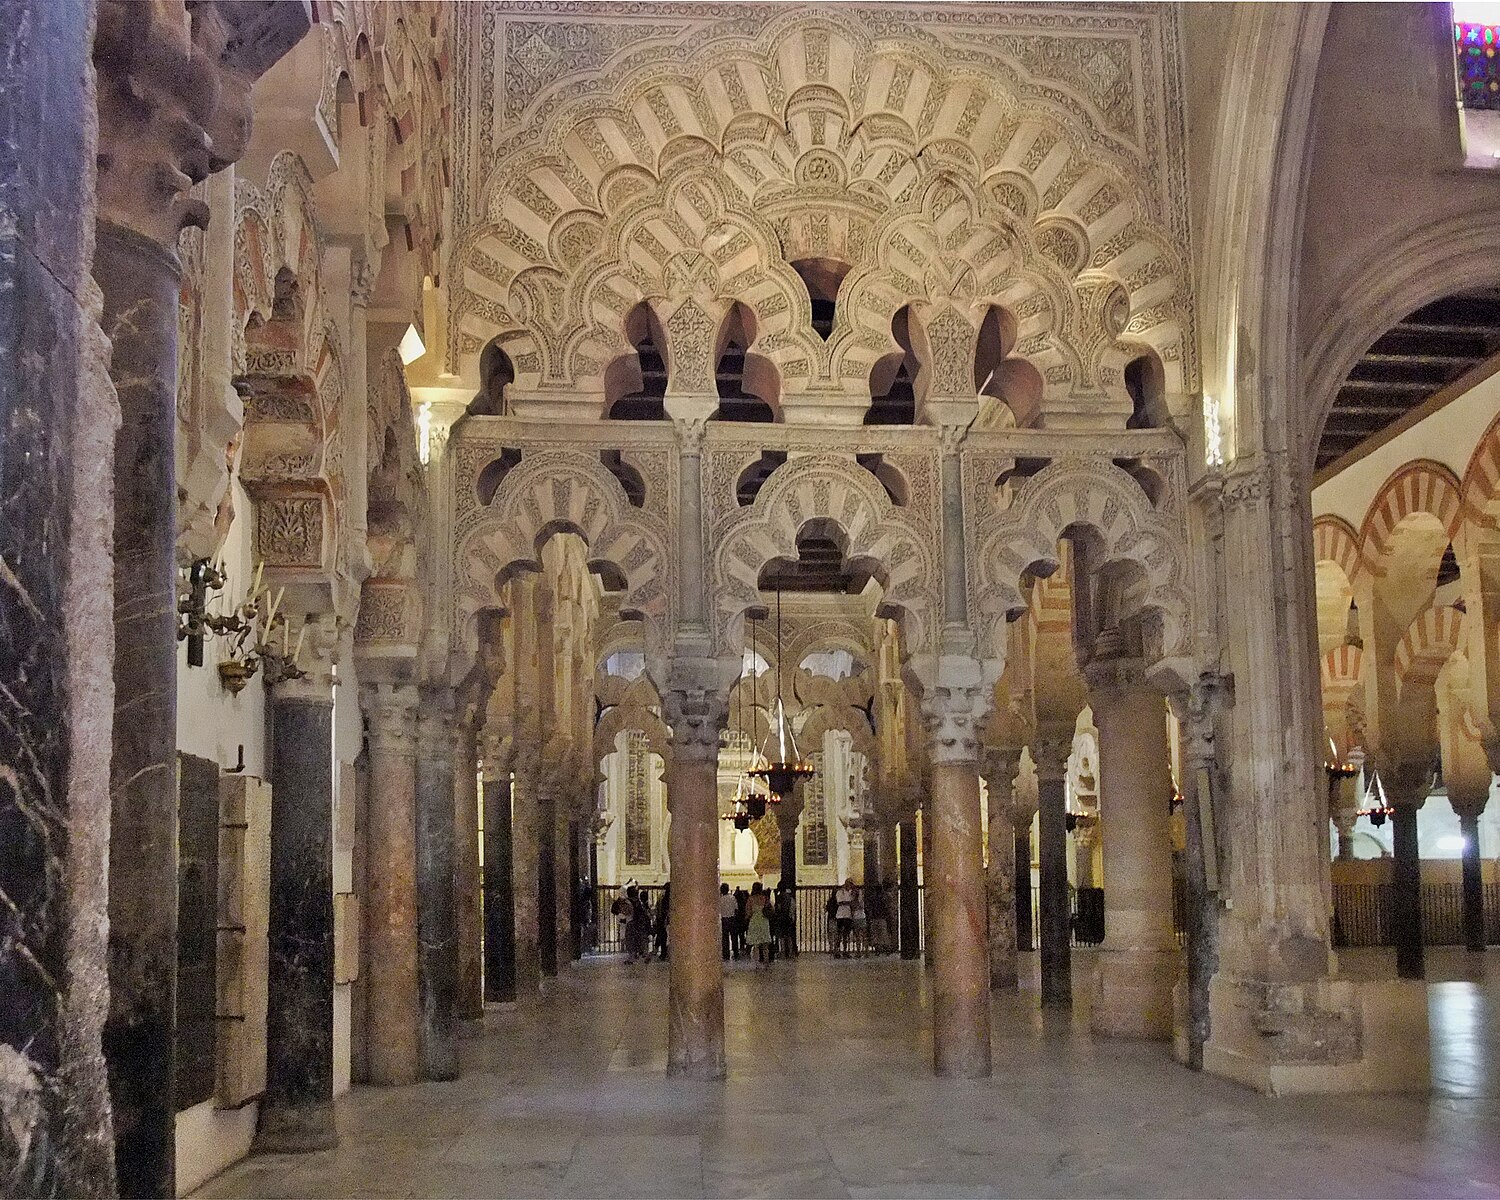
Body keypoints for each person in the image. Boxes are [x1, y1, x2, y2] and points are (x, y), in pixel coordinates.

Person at [746, 881, 773, 967]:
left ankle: (756, 964)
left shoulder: (750, 899)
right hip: (764, 921)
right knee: (765, 945)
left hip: (754, 922)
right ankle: (766, 962)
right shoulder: (765, 898)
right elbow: (771, 908)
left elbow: (749, 912)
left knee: (756, 945)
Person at [624, 886, 652, 964]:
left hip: (631, 922)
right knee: (640, 940)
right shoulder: (638, 902)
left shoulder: (628, 902)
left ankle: (631, 958)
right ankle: (645, 955)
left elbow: (627, 912)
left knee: (630, 941)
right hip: (640, 923)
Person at [866, 882, 892, 954]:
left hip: (874, 918)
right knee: (883, 934)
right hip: (882, 918)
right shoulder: (884, 898)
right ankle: (886, 948)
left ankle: (878, 949)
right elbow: (887, 907)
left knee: (875, 934)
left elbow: (869, 908)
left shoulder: (872, 898)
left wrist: (870, 916)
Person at [833, 878, 856, 958]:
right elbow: (840, 902)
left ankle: (845, 951)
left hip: (848, 915)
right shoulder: (840, 892)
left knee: (846, 934)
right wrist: (849, 903)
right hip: (840, 915)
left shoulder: (851, 893)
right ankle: (837, 950)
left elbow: (853, 903)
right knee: (839, 933)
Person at [775, 885, 797, 959]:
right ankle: (790, 952)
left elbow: (778, 907)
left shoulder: (779, 897)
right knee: (789, 936)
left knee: (781, 937)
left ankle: (783, 952)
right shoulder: (790, 898)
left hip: (781, 918)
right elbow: (793, 908)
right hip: (789, 918)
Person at [719, 882, 738, 960]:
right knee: (734, 936)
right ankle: (736, 952)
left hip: (724, 920)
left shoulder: (720, 899)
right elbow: (736, 909)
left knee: (725, 937)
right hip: (732, 919)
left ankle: (726, 953)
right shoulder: (732, 898)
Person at [653, 882, 670, 960]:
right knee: (664, 936)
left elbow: (658, 908)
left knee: (662, 936)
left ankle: (661, 952)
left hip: (661, 919)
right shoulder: (667, 897)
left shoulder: (661, 896)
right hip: (664, 919)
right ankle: (664, 953)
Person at [733, 885, 750, 959]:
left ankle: (741, 946)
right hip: (745, 919)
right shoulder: (745, 902)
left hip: (738, 920)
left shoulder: (737, 903)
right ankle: (747, 947)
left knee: (740, 934)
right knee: (747, 933)